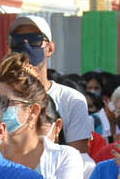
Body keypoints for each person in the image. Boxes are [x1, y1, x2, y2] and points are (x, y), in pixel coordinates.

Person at [5, 17, 92, 152]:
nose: (25, 45)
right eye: (17, 40)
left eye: (35, 39)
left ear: (50, 48)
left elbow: (79, 156)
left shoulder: (71, 99)